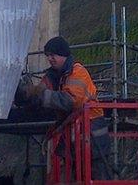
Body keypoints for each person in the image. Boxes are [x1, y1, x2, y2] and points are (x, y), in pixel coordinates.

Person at [22, 36, 111, 179]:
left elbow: (71, 100)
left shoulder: (77, 71)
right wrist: (27, 96)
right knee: (80, 176)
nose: (50, 59)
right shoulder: (54, 75)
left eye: (53, 55)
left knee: (97, 176)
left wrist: (41, 96)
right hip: (78, 135)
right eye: (48, 56)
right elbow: (40, 92)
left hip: (92, 132)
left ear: (63, 54)